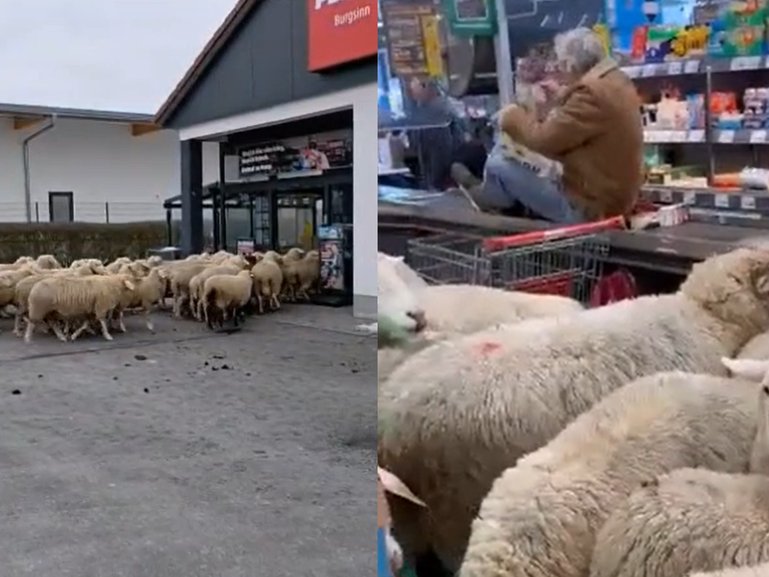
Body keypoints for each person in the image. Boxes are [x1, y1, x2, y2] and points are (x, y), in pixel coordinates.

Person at [455, 27, 644, 223]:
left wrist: (511, 116)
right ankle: (499, 200)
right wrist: (559, 98)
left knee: (497, 163)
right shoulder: (614, 81)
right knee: (509, 162)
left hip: (588, 207)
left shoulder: (590, 95)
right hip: (614, 197)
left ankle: (494, 201)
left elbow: (544, 141)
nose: (559, 70)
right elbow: (577, 130)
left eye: (561, 64)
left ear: (571, 64)